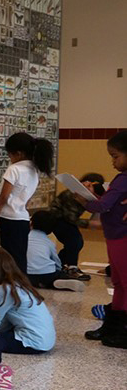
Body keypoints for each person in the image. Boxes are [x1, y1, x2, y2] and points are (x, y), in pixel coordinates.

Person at [0, 132, 54, 273]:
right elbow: (25, 200)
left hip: (10, 221)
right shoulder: (34, 171)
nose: (10, 158)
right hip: (22, 220)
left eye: (10, 155)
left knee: (9, 261)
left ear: (18, 153)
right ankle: (21, 290)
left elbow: (4, 198)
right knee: (19, 260)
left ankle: (14, 290)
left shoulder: (14, 169)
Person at [80, 130, 127, 347]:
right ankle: (113, 326)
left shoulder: (123, 178)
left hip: (121, 238)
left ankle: (120, 329)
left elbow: (103, 206)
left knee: (123, 284)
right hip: (115, 236)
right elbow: (108, 202)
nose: (112, 162)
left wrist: (82, 200)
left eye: (116, 156)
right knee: (118, 283)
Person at [0, 246, 56, 354]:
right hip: (45, 339)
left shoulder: (3, 290)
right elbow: (6, 321)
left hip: (33, 342)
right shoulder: (18, 284)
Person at [49, 172, 106, 280]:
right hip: (57, 219)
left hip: (66, 220)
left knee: (76, 243)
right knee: (74, 241)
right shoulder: (72, 195)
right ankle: (71, 268)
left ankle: (59, 264)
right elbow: (70, 217)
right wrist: (88, 224)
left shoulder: (87, 197)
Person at [26, 210, 85, 291]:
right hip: (47, 273)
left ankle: (39, 283)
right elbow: (56, 261)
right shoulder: (48, 242)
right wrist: (59, 269)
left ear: (31, 223)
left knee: (27, 278)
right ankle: (54, 283)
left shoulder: (24, 238)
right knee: (57, 274)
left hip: (27, 274)